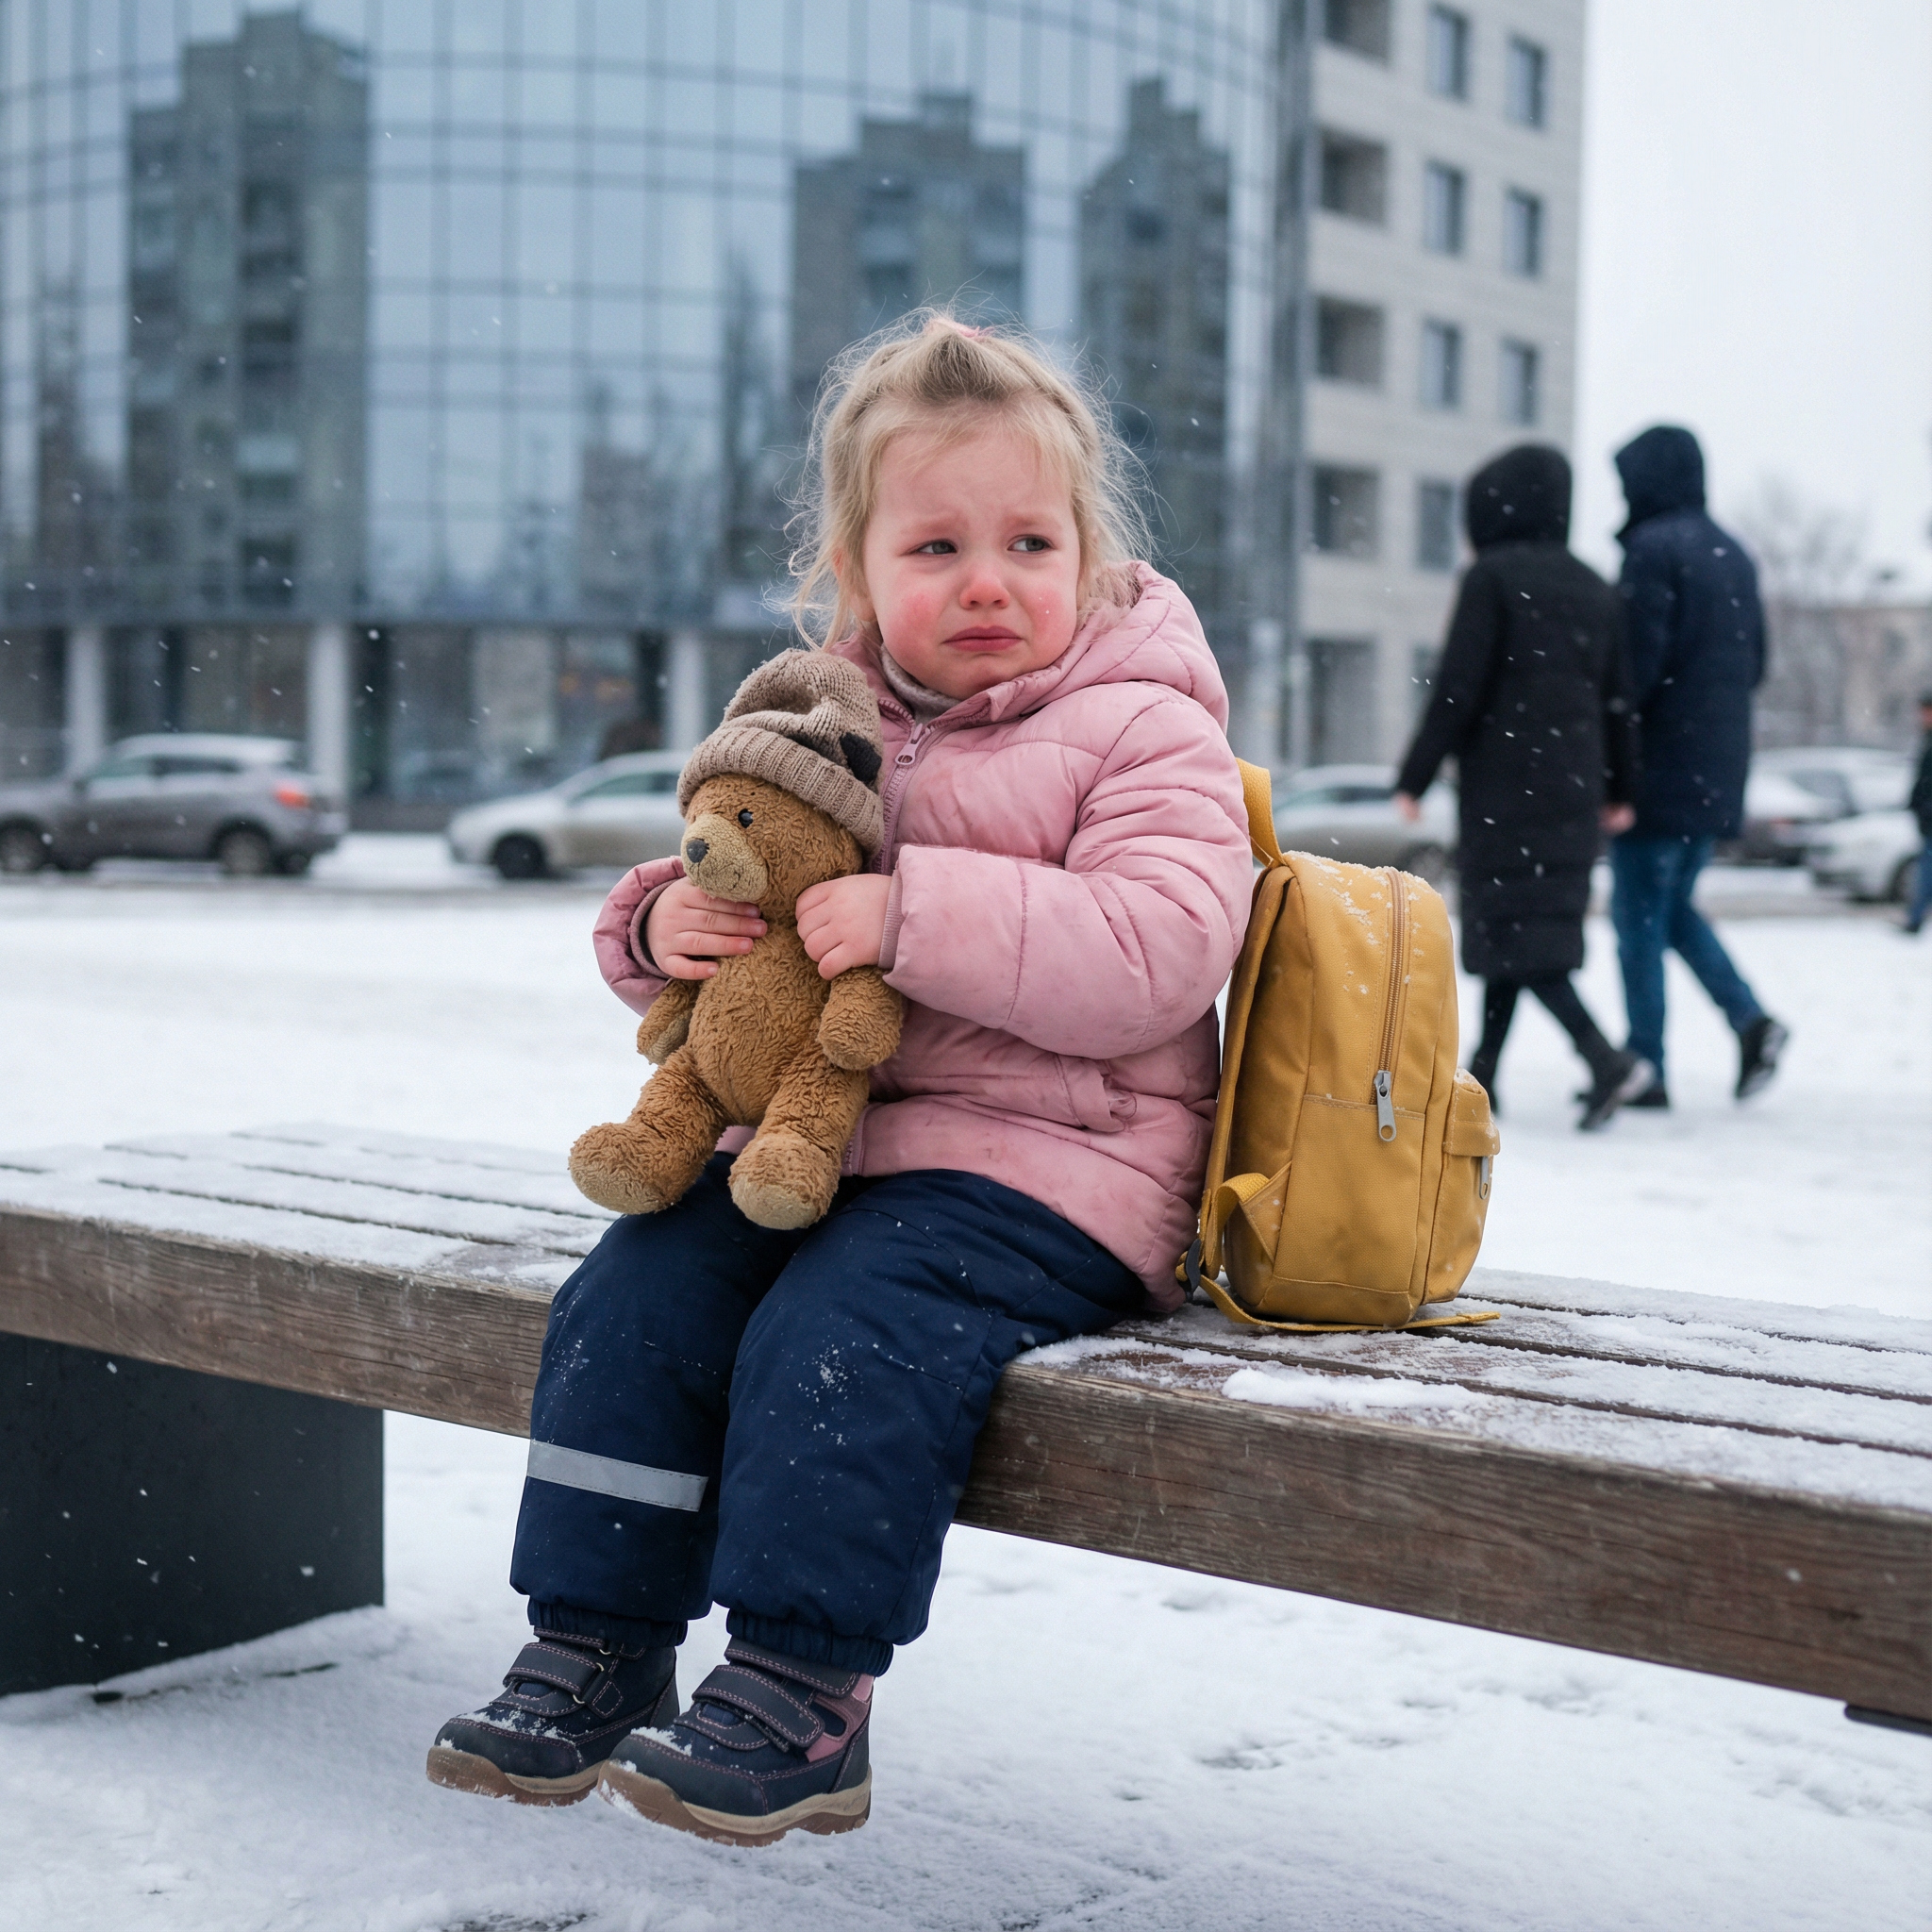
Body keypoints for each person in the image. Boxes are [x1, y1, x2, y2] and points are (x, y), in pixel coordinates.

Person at [425, 315, 1252, 1844]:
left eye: (1026, 539)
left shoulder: (1142, 725)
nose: (985, 579)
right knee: (639, 1286)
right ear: (854, 566)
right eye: (934, 545)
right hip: (823, 1147)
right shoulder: (823, 719)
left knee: (844, 1327)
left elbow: (1156, 944)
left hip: (1050, 1162)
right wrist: (662, 923)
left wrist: (913, 913)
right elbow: (727, 854)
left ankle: (804, 1683)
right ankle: (598, 1634)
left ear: (1089, 552)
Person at [1394, 444, 1649, 1129]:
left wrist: (1414, 774)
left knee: (1521, 941)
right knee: (1519, 937)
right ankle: (1485, 1078)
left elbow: (1458, 689)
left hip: (1505, 794)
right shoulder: (1597, 587)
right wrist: (1622, 788)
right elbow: (1619, 700)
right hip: (1571, 794)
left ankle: (1604, 1060)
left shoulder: (1492, 579)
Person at [1609, 425, 1788, 1105]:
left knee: (1638, 922)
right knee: (1673, 911)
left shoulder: (1653, 552)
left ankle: (1646, 1066)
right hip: (1717, 774)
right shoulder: (1734, 554)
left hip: (1657, 775)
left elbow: (1635, 673)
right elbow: (1757, 666)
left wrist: (1613, 759)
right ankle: (1752, 1022)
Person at [1904, 691, 1932, 936]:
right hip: (1927, 819)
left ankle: (1914, 920)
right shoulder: (1927, 739)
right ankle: (1914, 918)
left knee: (1926, 872)